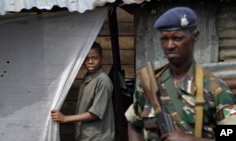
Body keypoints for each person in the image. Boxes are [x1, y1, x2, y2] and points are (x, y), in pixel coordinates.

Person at [125, 7, 236, 141]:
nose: (169, 45)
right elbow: (134, 124)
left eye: (177, 38)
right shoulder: (150, 84)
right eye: (164, 39)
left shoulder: (216, 89)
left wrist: (188, 139)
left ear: (194, 37)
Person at [50, 42, 115, 141]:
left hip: (98, 138)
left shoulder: (103, 80)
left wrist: (65, 118)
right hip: (86, 136)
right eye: (87, 58)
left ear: (101, 58)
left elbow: (95, 113)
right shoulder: (87, 78)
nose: (90, 61)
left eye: (95, 58)